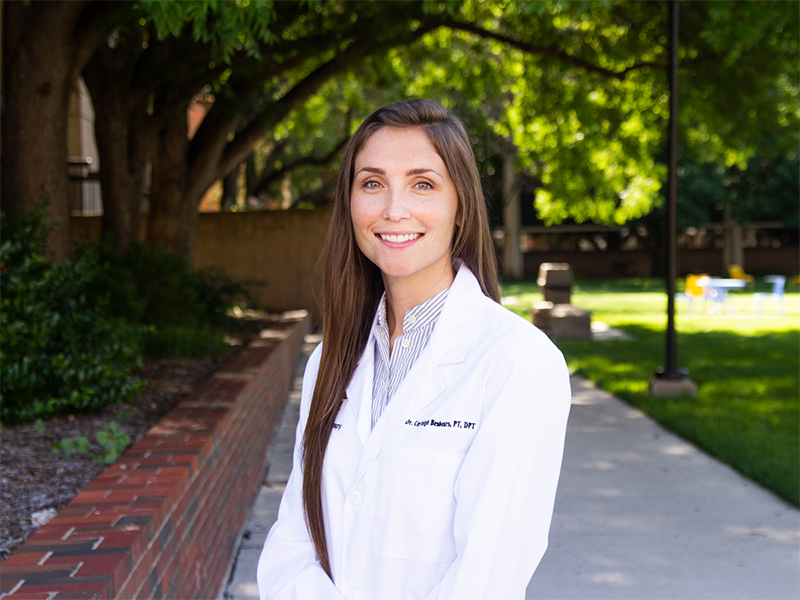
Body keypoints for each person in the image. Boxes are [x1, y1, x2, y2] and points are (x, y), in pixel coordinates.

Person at [257, 99, 571, 600]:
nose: (393, 209)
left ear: (460, 205)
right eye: (373, 183)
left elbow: (488, 574)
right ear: (351, 203)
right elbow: (292, 546)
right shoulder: (329, 363)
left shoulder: (519, 363)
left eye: (422, 184)